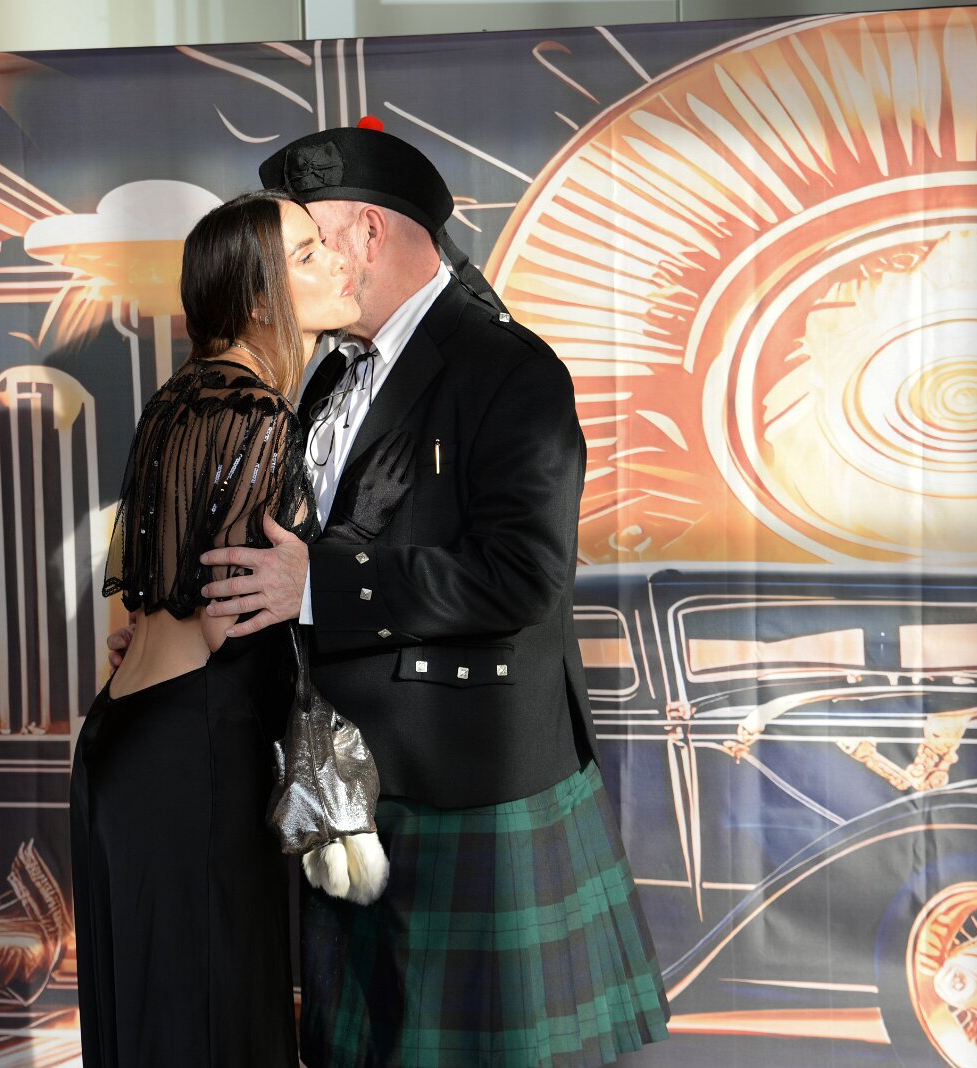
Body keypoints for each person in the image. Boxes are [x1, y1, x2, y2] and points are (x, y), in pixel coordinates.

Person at [196, 122, 671, 1066]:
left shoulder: (509, 369)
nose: (286, 273)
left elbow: (524, 573)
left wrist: (321, 585)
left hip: (462, 779)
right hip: (345, 779)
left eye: (308, 244)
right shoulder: (329, 377)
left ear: (369, 234)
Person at [69, 190, 359, 1066]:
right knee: (211, 1025)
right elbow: (232, 618)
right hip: (192, 756)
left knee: (149, 1025)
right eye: (307, 253)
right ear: (261, 297)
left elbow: (166, 591)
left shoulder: (180, 397)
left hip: (124, 738)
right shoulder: (259, 414)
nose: (337, 260)